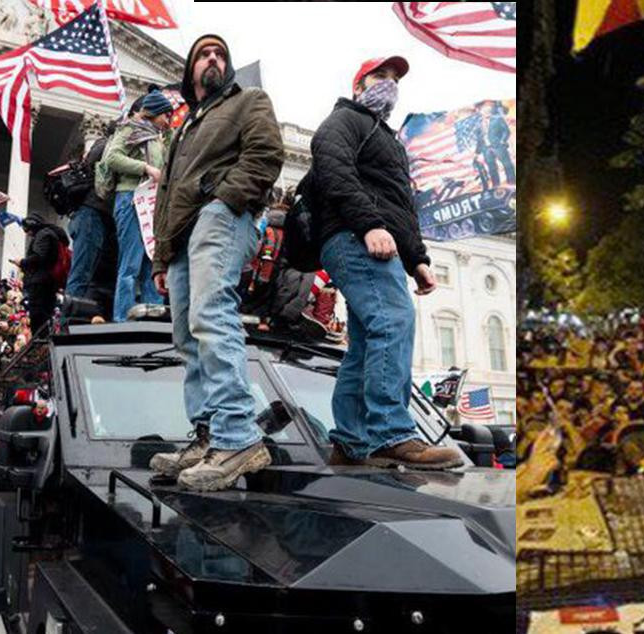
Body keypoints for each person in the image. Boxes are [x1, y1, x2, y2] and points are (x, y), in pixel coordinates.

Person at [306, 55, 461, 469]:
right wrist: (370, 224)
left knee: (366, 343)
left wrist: (418, 260)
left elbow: (400, 205)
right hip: (356, 238)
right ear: (358, 85)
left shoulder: (387, 139)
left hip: (377, 240)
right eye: (380, 76)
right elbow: (333, 170)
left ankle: (351, 442)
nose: (389, 83)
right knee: (393, 321)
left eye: (394, 78)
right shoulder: (345, 121)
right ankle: (392, 432)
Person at [146, 34, 284, 491]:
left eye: (220, 53)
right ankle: (207, 438)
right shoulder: (184, 128)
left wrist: (223, 202)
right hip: (182, 237)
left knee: (211, 315)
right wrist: (162, 259)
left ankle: (237, 436)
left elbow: (266, 155)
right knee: (186, 336)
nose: (213, 59)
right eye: (204, 53)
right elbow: (166, 194)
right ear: (191, 69)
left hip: (220, 218)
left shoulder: (248, 102)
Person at [101, 91, 173, 322]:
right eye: (166, 116)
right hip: (131, 199)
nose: (168, 121)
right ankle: (122, 320)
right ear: (155, 112)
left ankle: (152, 320)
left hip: (151, 205)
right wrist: (145, 168)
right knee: (130, 264)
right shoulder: (130, 128)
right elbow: (112, 158)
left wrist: (170, 135)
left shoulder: (157, 137)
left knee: (151, 266)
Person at [65, 121, 117, 304]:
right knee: (82, 272)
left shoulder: (103, 146)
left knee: (92, 275)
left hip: (99, 215)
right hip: (91, 212)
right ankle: (69, 321)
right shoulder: (105, 145)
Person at [17, 213, 69, 337]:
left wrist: (21, 262)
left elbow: (39, 257)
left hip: (40, 283)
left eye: (26, 229)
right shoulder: (51, 234)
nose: (26, 233)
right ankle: (42, 342)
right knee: (45, 316)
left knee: (38, 316)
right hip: (49, 282)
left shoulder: (43, 234)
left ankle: (39, 343)